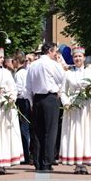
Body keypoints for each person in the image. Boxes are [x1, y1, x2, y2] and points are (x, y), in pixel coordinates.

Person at [59, 47, 91, 174]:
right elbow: (63, 91)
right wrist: (66, 103)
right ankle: (77, 162)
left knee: (87, 133)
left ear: (84, 58)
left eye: (80, 56)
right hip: (74, 107)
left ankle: (85, 161)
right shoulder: (68, 73)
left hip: (88, 107)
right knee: (75, 133)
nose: (77, 59)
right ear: (72, 58)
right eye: (75, 57)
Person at [26, 42, 64, 172]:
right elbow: (61, 78)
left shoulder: (33, 65)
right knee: (50, 131)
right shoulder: (52, 64)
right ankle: (47, 162)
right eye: (55, 52)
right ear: (50, 51)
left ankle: (38, 161)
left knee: (38, 132)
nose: (56, 54)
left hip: (37, 99)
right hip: (50, 98)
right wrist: (59, 63)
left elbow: (28, 86)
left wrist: (31, 102)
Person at [14, 52, 31, 165]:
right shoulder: (26, 73)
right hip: (27, 100)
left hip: (22, 101)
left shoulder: (19, 74)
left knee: (23, 129)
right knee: (26, 128)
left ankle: (26, 155)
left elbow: (19, 90)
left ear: (16, 61)